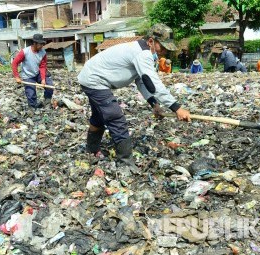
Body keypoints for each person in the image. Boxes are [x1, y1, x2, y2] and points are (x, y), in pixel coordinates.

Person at [77, 23, 191, 170]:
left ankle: (92, 150)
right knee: (115, 118)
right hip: (95, 80)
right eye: (162, 47)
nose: (163, 51)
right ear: (151, 41)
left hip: (92, 77)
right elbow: (152, 83)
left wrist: (153, 103)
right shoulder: (142, 54)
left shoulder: (142, 51)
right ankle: (126, 163)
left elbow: (141, 80)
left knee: (99, 117)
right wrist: (176, 108)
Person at [12, 33, 54, 109]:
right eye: (40, 44)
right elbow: (14, 63)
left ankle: (47, 102)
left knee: (50, 85)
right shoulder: (25, 52)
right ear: (34, 43)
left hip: (38, 73)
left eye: (42, 44)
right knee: (31, 93)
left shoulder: (43, 53)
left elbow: (42, 66)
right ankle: (33, 107)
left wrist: (43, 79)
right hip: (28, 76)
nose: (41, 46)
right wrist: (17, 77)